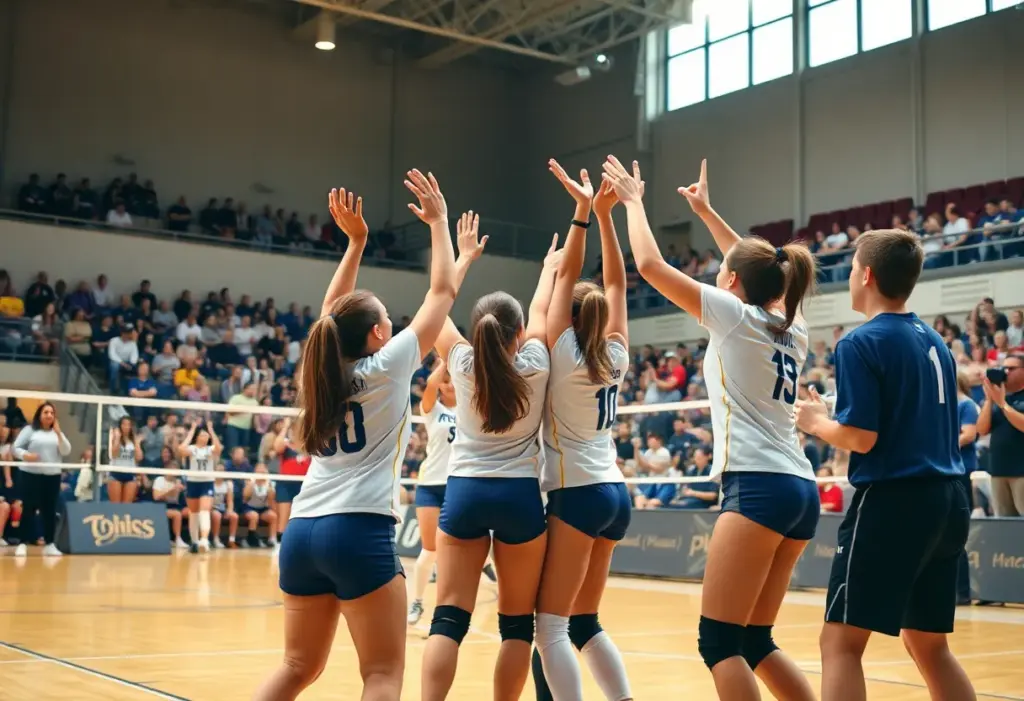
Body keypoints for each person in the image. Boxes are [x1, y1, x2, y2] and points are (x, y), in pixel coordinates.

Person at [604, 156, 818, 701]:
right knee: (754, 641)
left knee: (719, 644)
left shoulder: (735, 315)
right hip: (800, 488)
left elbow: (650, 266)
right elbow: (757, 267)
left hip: (759, 486)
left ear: (729, 282)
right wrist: (705, 211)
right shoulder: (794, 328)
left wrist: (633, 201)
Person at [254, 172, 472, 701]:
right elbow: (442, 290)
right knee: (381, 675)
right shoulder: (387, 365)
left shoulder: (319, 371)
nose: (395, 325)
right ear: (378, 334)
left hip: (302, 531)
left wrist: (355, 244)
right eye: (388, 320)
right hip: (359, 530)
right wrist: (439, 222)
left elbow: (332, 316)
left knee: (295, 667)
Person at [795, 229, 975, 701]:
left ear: (867, 275)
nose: (850, 276)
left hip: (895, 501)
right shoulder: (934, 339)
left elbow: (861, 438)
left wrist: (816, 423)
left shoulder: (860, 342)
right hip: (949, 499)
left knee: (839, 643)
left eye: (853, 268)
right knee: (929, 645)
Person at [419, 226, 562, 701]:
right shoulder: (537, 362)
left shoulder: (461, 364)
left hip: (463, 493)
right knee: (518, 625)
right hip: (520, 496)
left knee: (449, 617)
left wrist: (462, 259)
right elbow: (541, 309)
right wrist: (547, 270)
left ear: (477, 331)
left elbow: (436, 307)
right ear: (519, 334)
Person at [532, 161, 633, 701]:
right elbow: (615, 280)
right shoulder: (614, 353)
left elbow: (567, 280)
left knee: (549, 627)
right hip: (616, 491)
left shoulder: (564, 351)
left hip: (577, 494)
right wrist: (605, 217)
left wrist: (582, 218)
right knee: (585, 622)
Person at [407, 358, 459, 625]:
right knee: (429, 550)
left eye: (451, 382)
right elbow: (430, 384)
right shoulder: (433, 409)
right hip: (430, 485)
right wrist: (447, 360)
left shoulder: (471, 409)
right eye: (445, 383)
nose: (447, 386)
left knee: (452, 553)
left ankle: (445, 611)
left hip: (458, 486)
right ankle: (416, 601)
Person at [11, 402, 71, 557]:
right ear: (40, 414)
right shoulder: (30, 430)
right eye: (46, 412)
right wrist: (27, 456)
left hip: (52, 476)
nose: (49, 415)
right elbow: (15, 448)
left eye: (52, 413)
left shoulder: (57, 433)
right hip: (31, 475)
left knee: (49, 510)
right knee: (29, 508)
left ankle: (50, 543)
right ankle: (23, 543)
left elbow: (66, 450)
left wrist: (58, 433)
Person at [976, 353, 1024, 517]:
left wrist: (1002, 404)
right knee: (1004, 524)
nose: (1005, 372)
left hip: (1021, 471)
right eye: (1004, 368)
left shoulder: (1006, 400)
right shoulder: (997, 398)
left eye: (1011, 368)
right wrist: (990, 400)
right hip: (999, 470)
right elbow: (981, 429)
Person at [177, 421, 223, 553]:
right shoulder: (192, 449)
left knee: (204, 510)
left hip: (207, 482)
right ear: (197, 437)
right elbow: (181, 449)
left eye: (206, 435)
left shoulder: (210, 449)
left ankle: (204, 539)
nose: (205, 437)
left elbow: (219, 448)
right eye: (202, 435)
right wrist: (192, 430)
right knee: (194, 513)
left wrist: (211, 429)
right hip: (193, 482)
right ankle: (195, 541)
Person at [241, 464, 278, 548]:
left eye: (263, 469)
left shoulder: (270, 483)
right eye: (259, 469)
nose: (261, 471)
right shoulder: (250, 480)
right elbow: (245, 497)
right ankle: (250, 538)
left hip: (263, 508)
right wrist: (250, 484)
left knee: (273, 516)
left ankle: (272, 539)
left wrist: (270, 489)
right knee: (254, 516)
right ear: (255, 470)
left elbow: (271, 501)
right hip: (249, 507)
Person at [107, 416, 142, 503]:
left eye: (128, 424)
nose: (126, 426)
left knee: (126, 507)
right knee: (116, 506)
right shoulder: (114, 438)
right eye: (124, 424)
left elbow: (139, 457)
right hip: (116, 473)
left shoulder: (133, 440)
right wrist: (118, 438)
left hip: (130, 474)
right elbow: (113, 455)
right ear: (120, 426)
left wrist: (136, 442)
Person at [211, 476, 239, 549]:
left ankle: (231, 540)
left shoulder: (227, 484)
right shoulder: (210, 483)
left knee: (234, 516)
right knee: (217, 515)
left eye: (222, 470)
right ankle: (216, 539)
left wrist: (229, 510)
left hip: (223, 508)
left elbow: (230, 500)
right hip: (211, 507)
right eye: (218, 470)